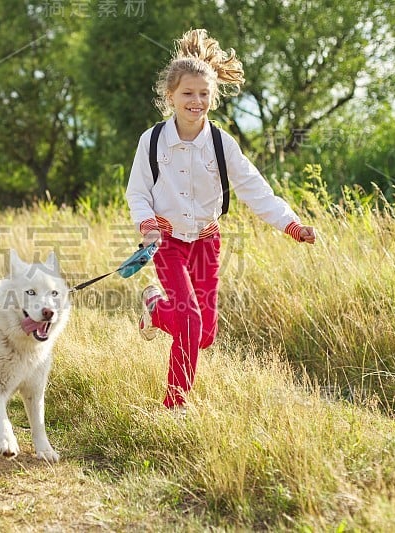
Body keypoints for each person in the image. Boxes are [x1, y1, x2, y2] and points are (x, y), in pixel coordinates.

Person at [125, 29, 317, 411]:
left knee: (205, 334)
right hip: (167, 243)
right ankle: (174, 407)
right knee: (190, 322)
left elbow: (255, 189)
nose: (196, 101)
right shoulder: (152, 140)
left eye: (203, 94)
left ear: (213, 96)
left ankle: (153, 308)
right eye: (187, 94)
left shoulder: (221, 143)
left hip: (207, 241)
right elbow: (137, 193)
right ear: (170, 97)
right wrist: (147, 228)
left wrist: (291, 224)